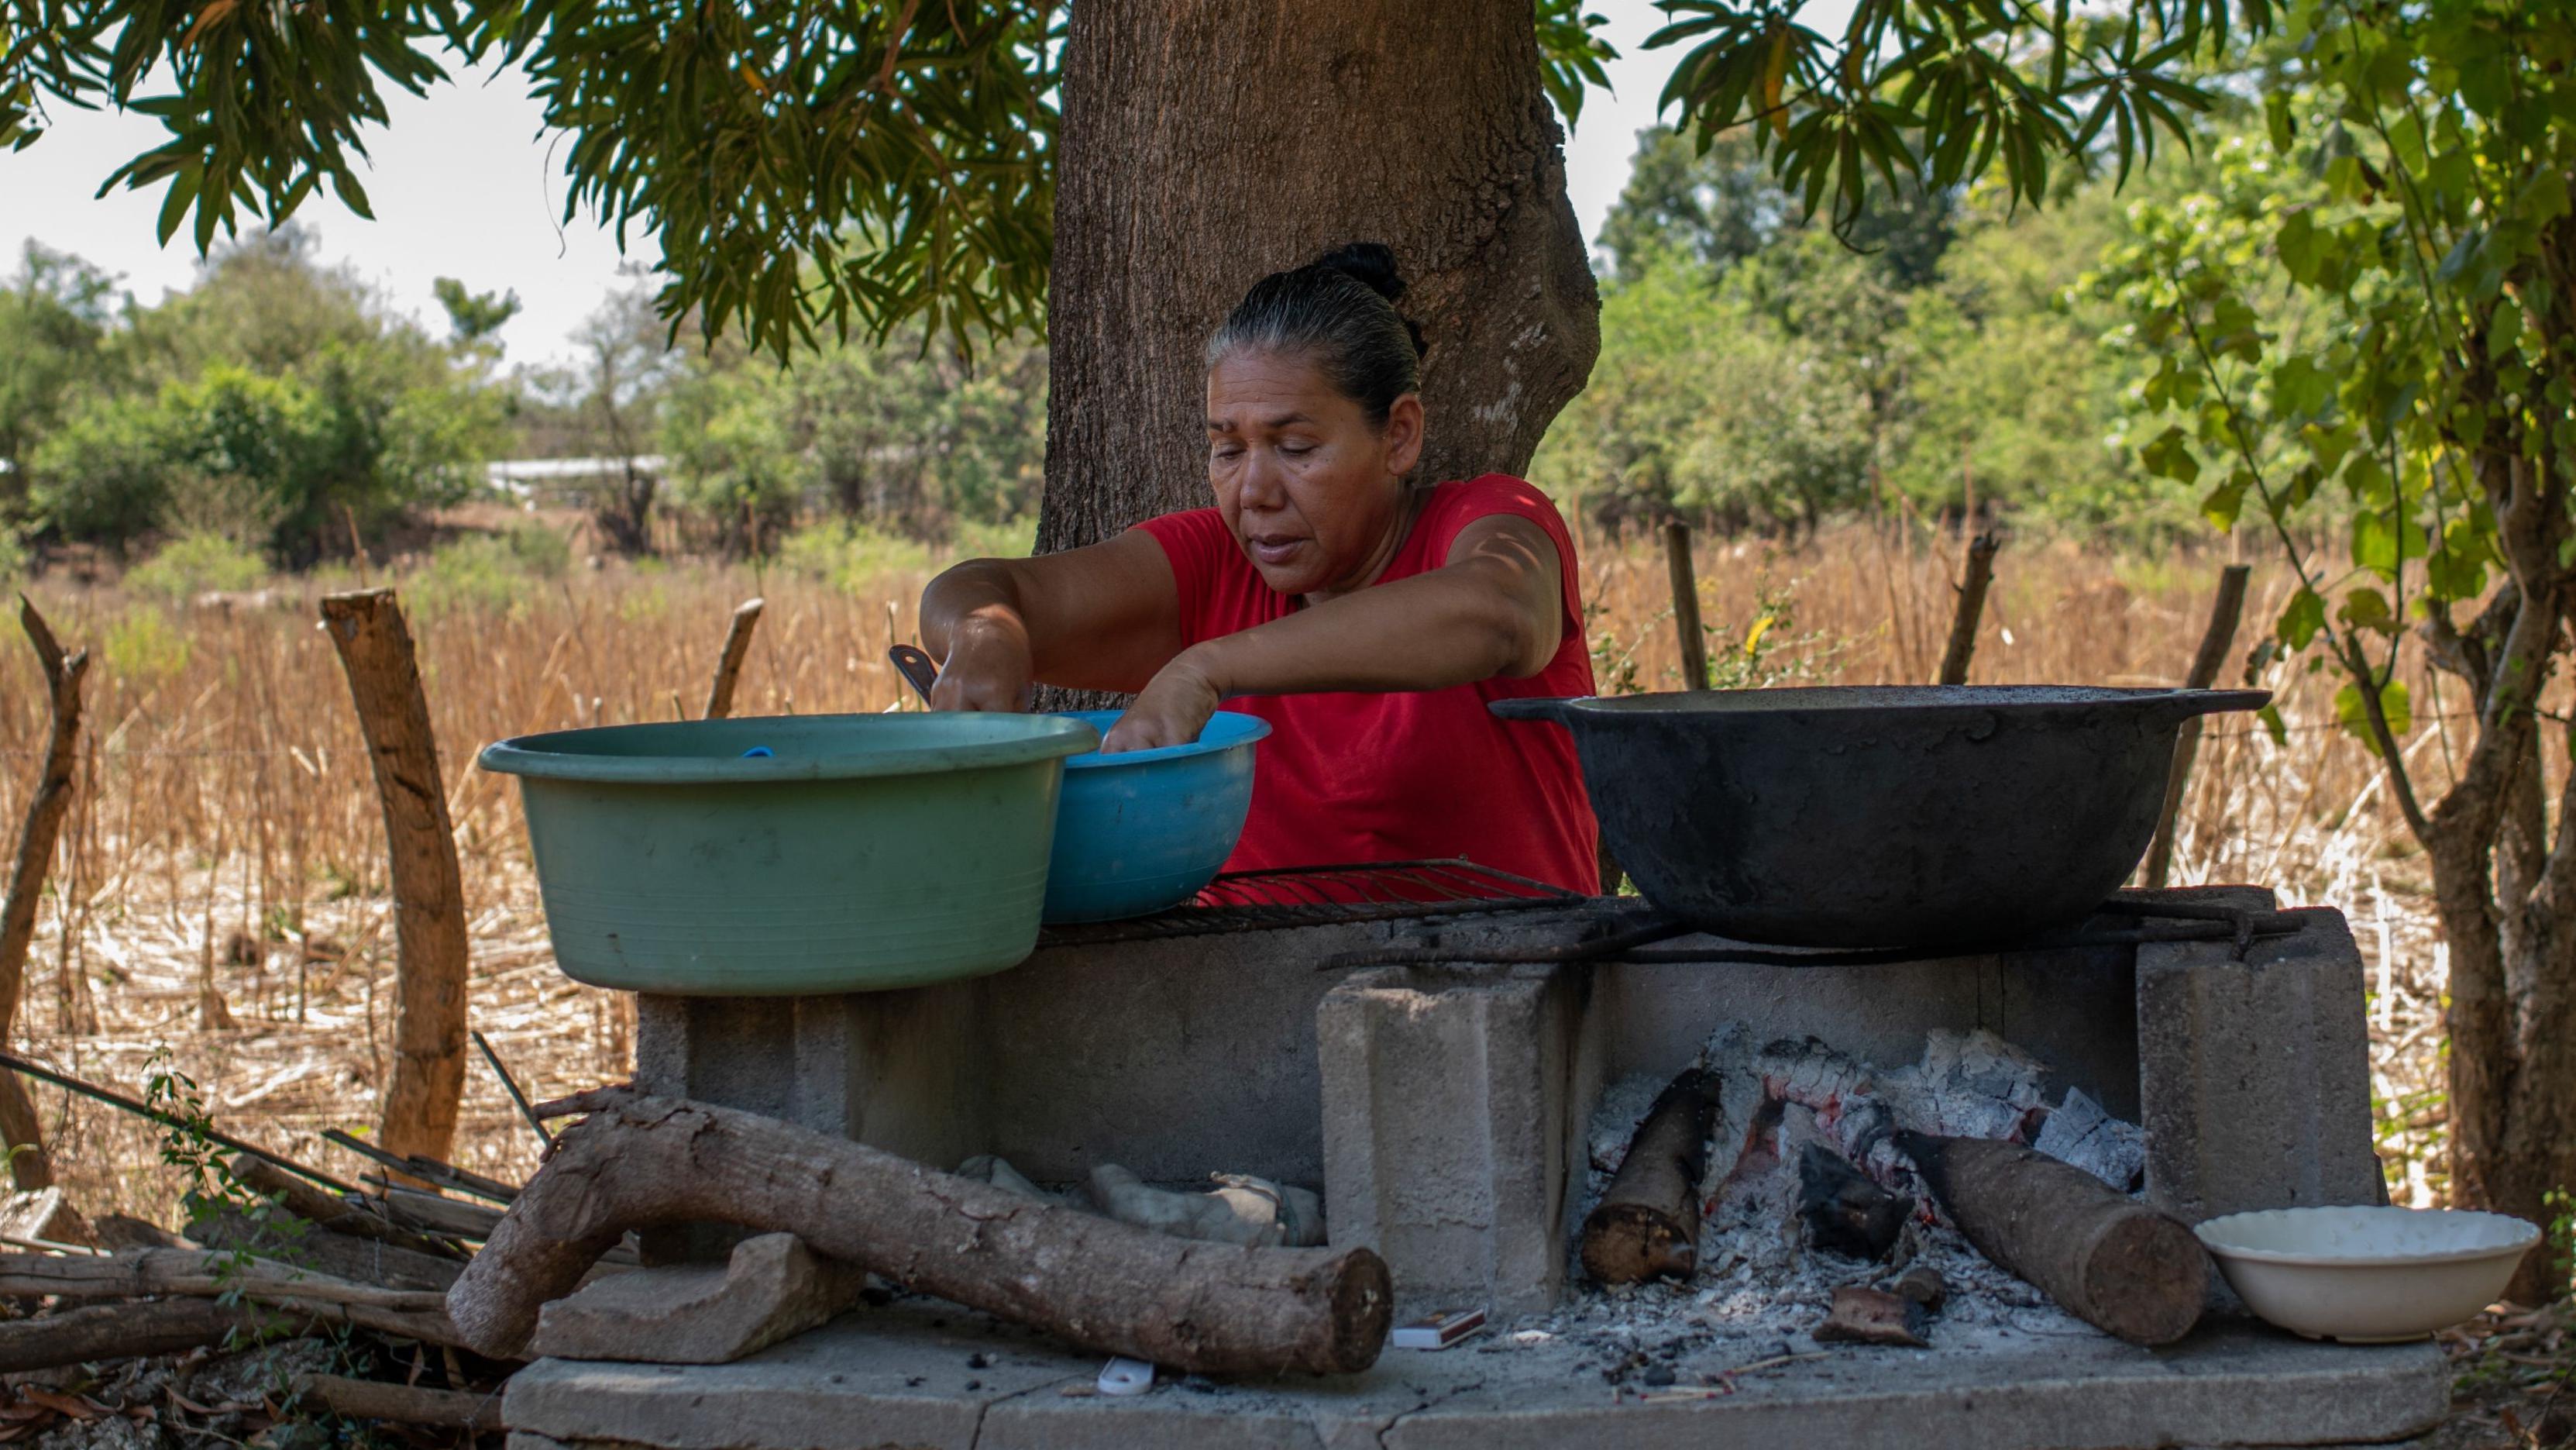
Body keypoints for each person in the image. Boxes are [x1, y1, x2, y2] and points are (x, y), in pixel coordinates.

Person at [919, 243, 1599, 892]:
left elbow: (1501, 613)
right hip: (1251, 994)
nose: (1254, 492)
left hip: (1508, 988)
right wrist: (988, 639)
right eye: (1227, 450)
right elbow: (977, 591)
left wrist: (1204, 668)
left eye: (1296, 446)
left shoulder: (1488, 521)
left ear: (1399, 435)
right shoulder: (1210, 563)